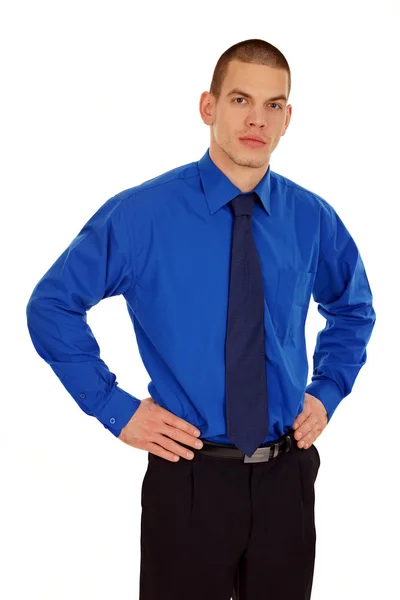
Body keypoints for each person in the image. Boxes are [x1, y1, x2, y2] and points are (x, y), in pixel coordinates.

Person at [26, 38, 376, 600]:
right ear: (208, 107)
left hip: (287, 478)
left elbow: (354, 308)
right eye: (240, 99)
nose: (257, 119)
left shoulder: (311, 218)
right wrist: (114, 408)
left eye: (274, 105)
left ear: (288, 119)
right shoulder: (143, 215)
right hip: (188, 477)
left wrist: (328, 389)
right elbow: (51, 306)